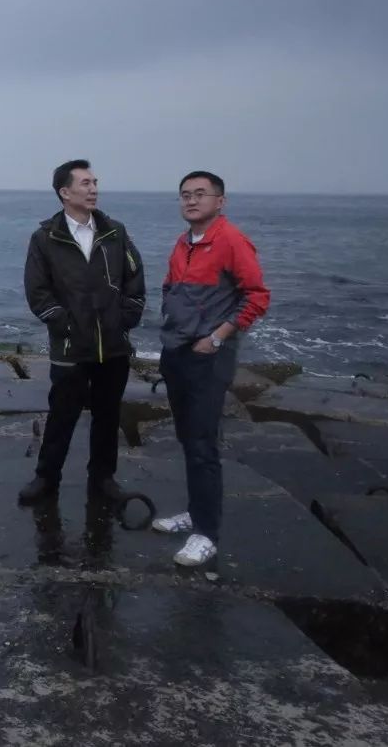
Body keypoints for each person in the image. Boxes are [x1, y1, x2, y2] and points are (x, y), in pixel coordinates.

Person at [151, 170, 270, 567]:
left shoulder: (231, 241)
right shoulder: (183, 243)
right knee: (188, 437)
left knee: (203, 444)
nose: (191, 200)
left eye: (200, 194)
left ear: (220, 201)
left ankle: (207, 533)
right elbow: (171, 289)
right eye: (185, 194)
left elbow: (256, 297)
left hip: (208, 356)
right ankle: (195, 512)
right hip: (177, 352)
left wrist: (216, 337)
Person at [21, 159, 146, 505]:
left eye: (95, 183)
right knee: (62, 416)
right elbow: (37, 290)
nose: (93, 189)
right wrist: (65, 323)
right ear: (65, 192)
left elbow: (134, 278)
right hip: (70, 348)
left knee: (108, 417)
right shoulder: (45, 238)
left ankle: (103, 479)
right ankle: (46, 478)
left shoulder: (115, 232)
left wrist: (127, 317)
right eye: (85, 183)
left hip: (114, 347)